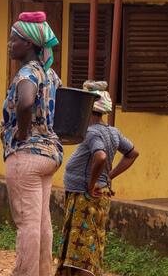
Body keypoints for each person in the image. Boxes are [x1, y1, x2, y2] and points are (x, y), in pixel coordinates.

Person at [55, 81, 139, 276]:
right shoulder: (112, 131)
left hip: (86, 197)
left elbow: (100, 156)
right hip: (95, 195)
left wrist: (92, 184)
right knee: (90, 245)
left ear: (87, 108)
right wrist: (108, 177)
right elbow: (132, 153)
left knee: (82, 251)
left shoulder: (92, 132)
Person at [2, 11, 63, 276]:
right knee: (41, 222)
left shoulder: (27, 73)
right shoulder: (50, 75)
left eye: (14, 39)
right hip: (49, 154)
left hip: (26, 155)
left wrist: (23, 133)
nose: (9, 43)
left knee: (27, 223)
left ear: (28, 43)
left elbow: (26, 102)